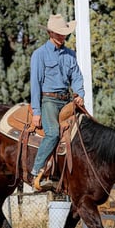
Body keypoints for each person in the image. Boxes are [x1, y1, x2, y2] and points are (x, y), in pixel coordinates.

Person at [29, 13, 85, 191]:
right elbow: (35, 84)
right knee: (53, 133)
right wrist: (36, 112)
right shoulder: (39, 55)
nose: (62, 36)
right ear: (50, 33)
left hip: (67, 101)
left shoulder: (70, 55)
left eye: (64, 33)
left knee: (85, 132)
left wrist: (79, 93)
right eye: (59, 33)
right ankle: (36, 169)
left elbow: (76, 77)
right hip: (49, 101)